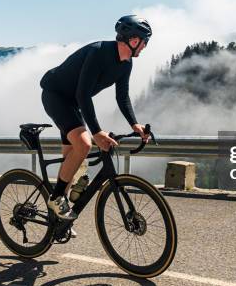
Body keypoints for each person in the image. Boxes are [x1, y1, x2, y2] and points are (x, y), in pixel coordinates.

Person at [40, 15, 152, 221]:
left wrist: (134, 124)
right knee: (83, 145)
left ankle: (56, 222)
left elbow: (123, 97)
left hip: (72, 102)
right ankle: (56, 198)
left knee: (71, 164)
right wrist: (97, 132)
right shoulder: (98, 52)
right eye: (145, 42)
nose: (145, 46)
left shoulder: (126, 64)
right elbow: (83, 94)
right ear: (134, 40)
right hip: (55, 95)